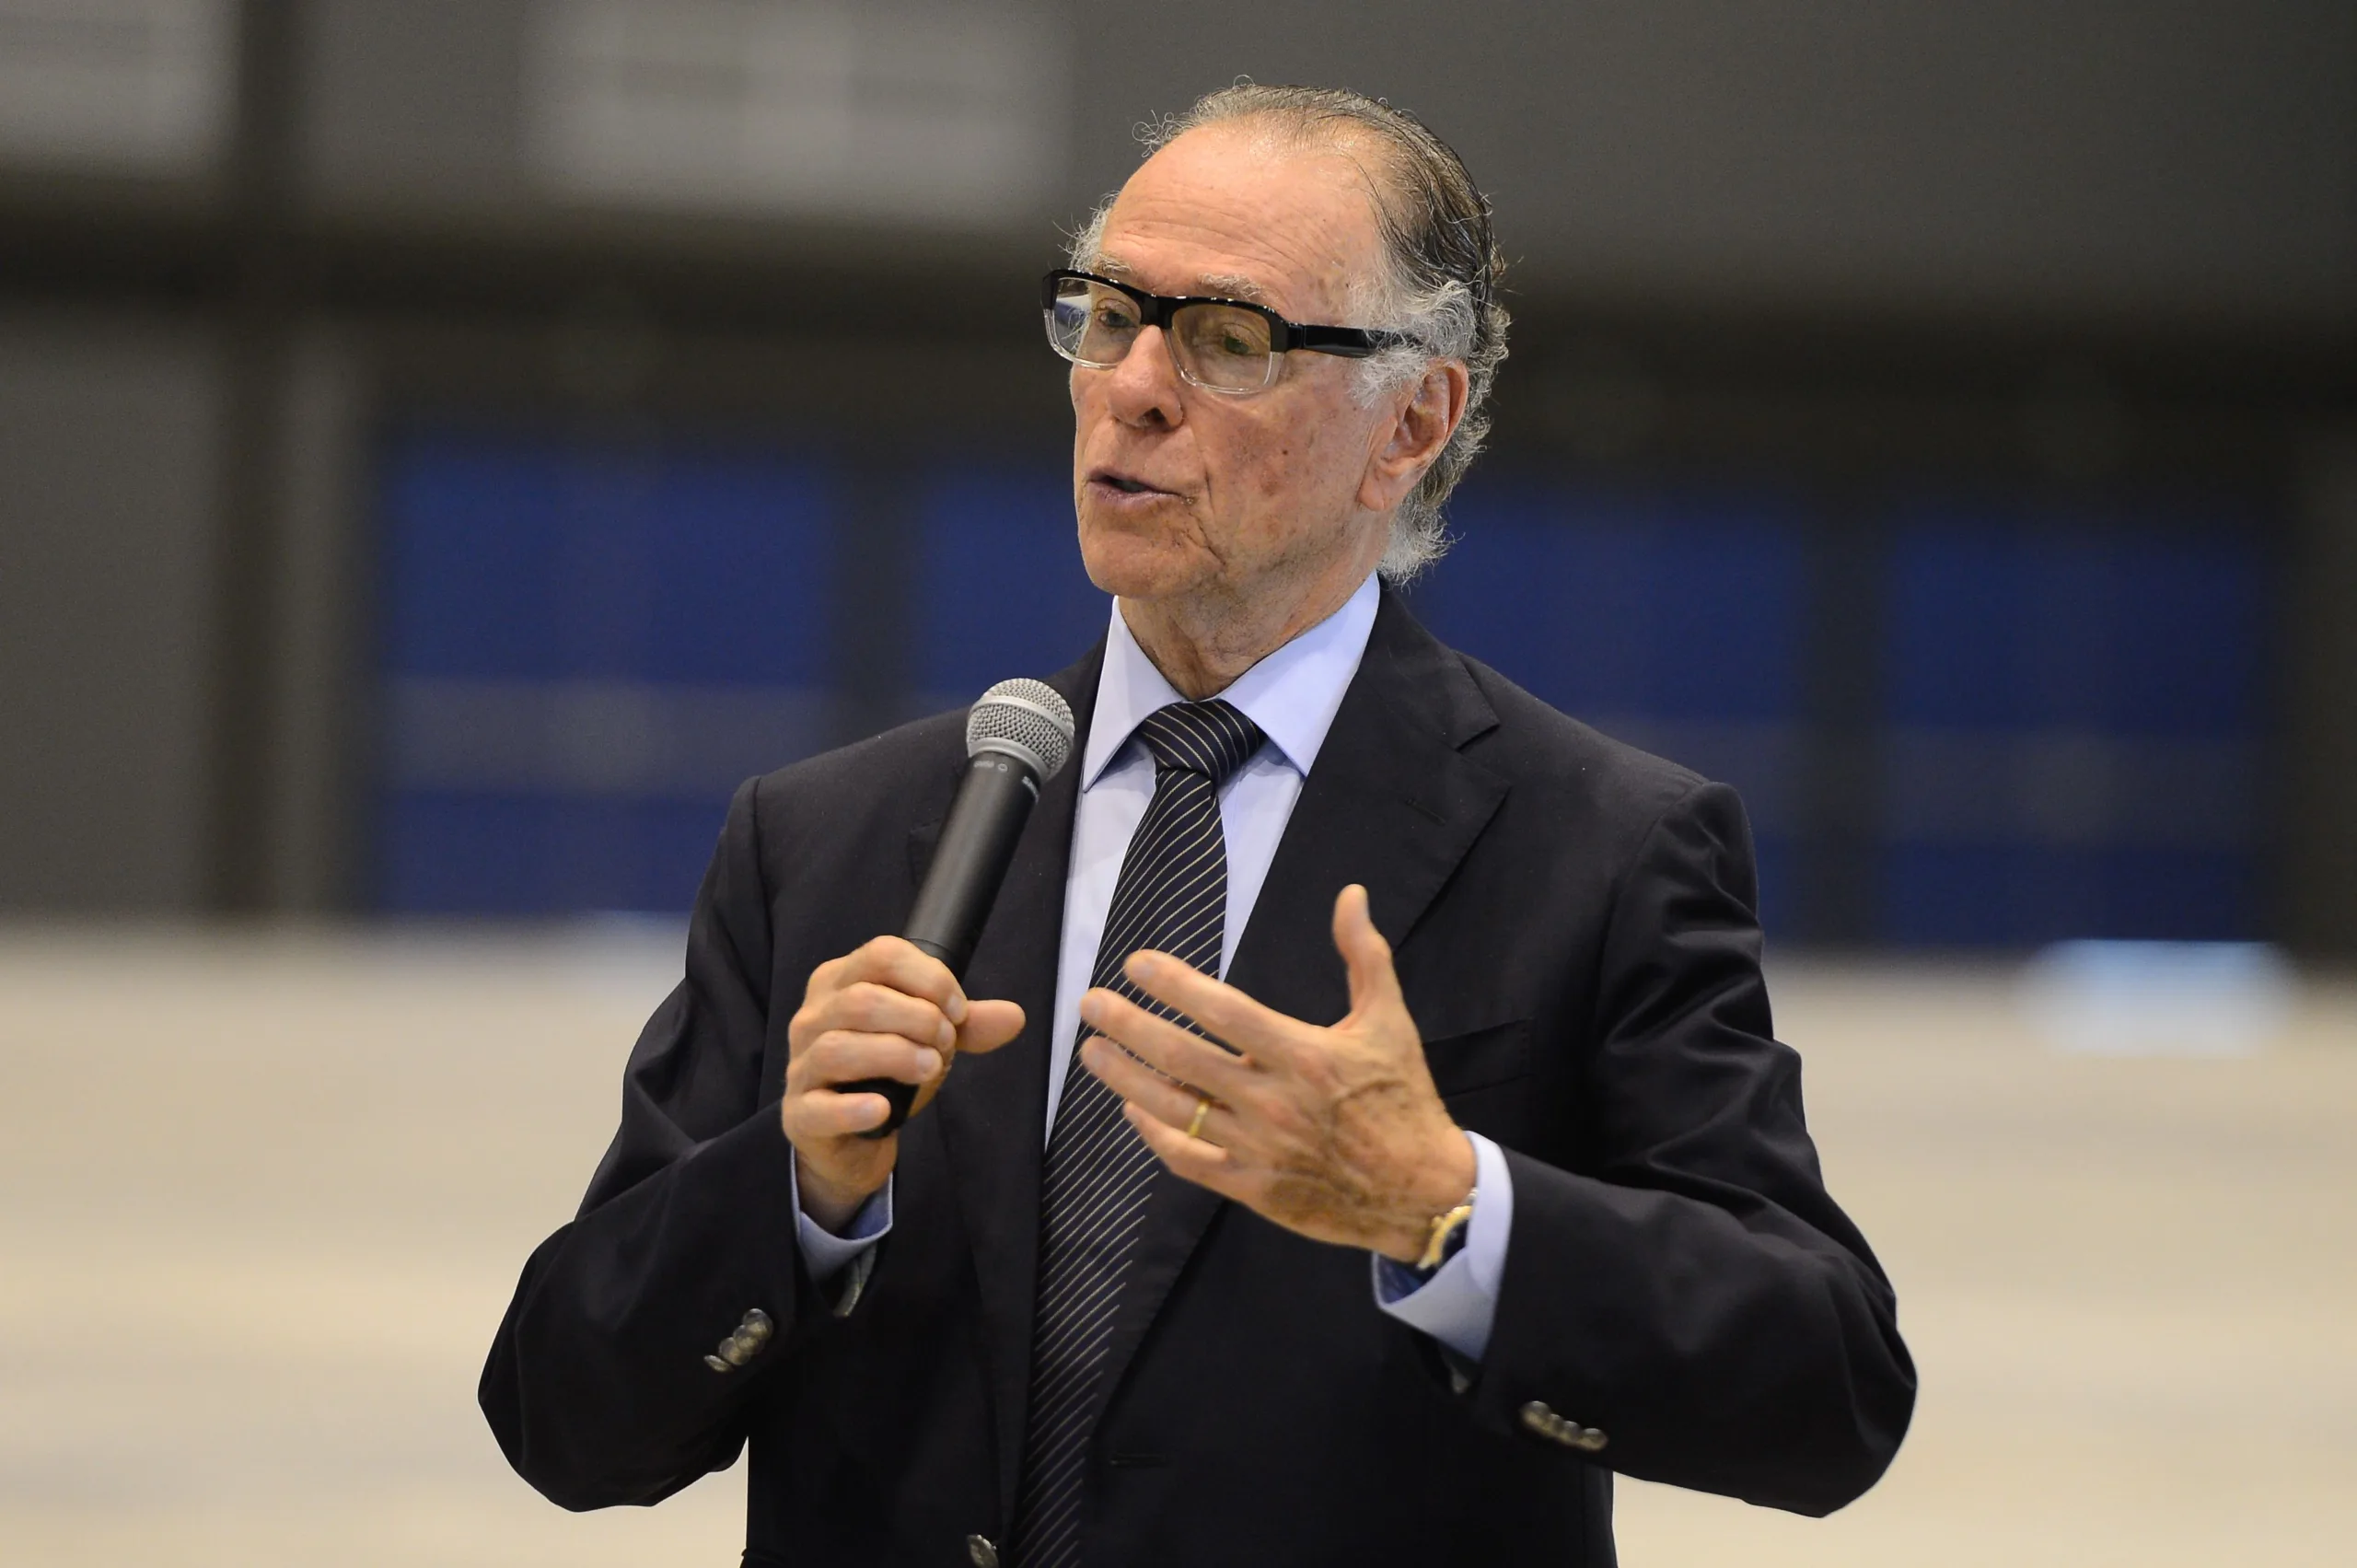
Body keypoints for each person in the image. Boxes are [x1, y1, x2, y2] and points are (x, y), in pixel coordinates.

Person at [481, 84, 1914, 1568]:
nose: (1135, 384)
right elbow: (564, 1419)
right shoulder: (830, 840)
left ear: (1410, 421)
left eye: (1229, 339)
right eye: (1108, 315)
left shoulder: (1600, 848)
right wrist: (794, 1194)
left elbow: (1827, 1389)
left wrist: (1446, 1209)